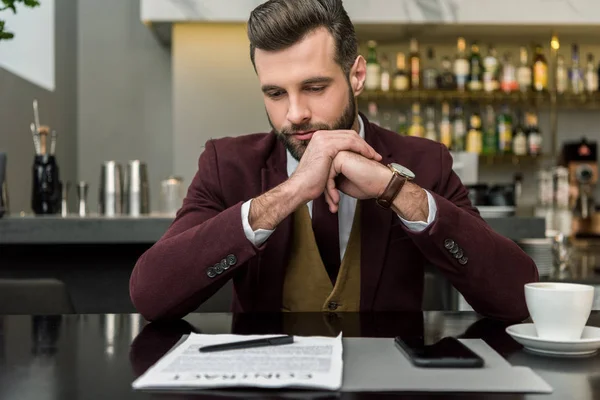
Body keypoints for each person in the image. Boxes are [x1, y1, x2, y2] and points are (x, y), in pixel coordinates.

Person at [130, 0, 538, 322]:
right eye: (275, 94)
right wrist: (288, 193)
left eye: (314, 87)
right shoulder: (227, 163)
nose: (294, 114)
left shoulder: (423, 161)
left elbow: (515, 298)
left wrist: (393, 189)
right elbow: (151, 294)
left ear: (356, 75)